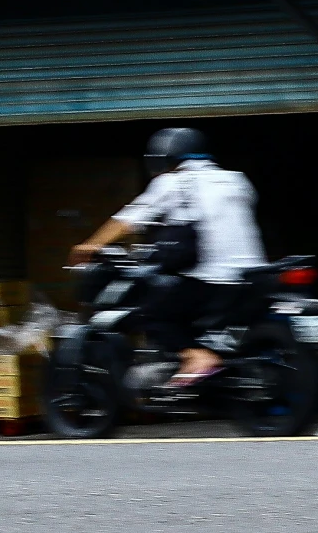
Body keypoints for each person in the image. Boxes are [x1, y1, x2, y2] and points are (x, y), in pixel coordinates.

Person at [69, 126, 267, 386]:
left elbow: (129, 219)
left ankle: (196, 357)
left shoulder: (173, 183)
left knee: (152, 313)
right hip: (254, 278)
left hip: (213, 281)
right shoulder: (236, 179)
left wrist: (90, 245)